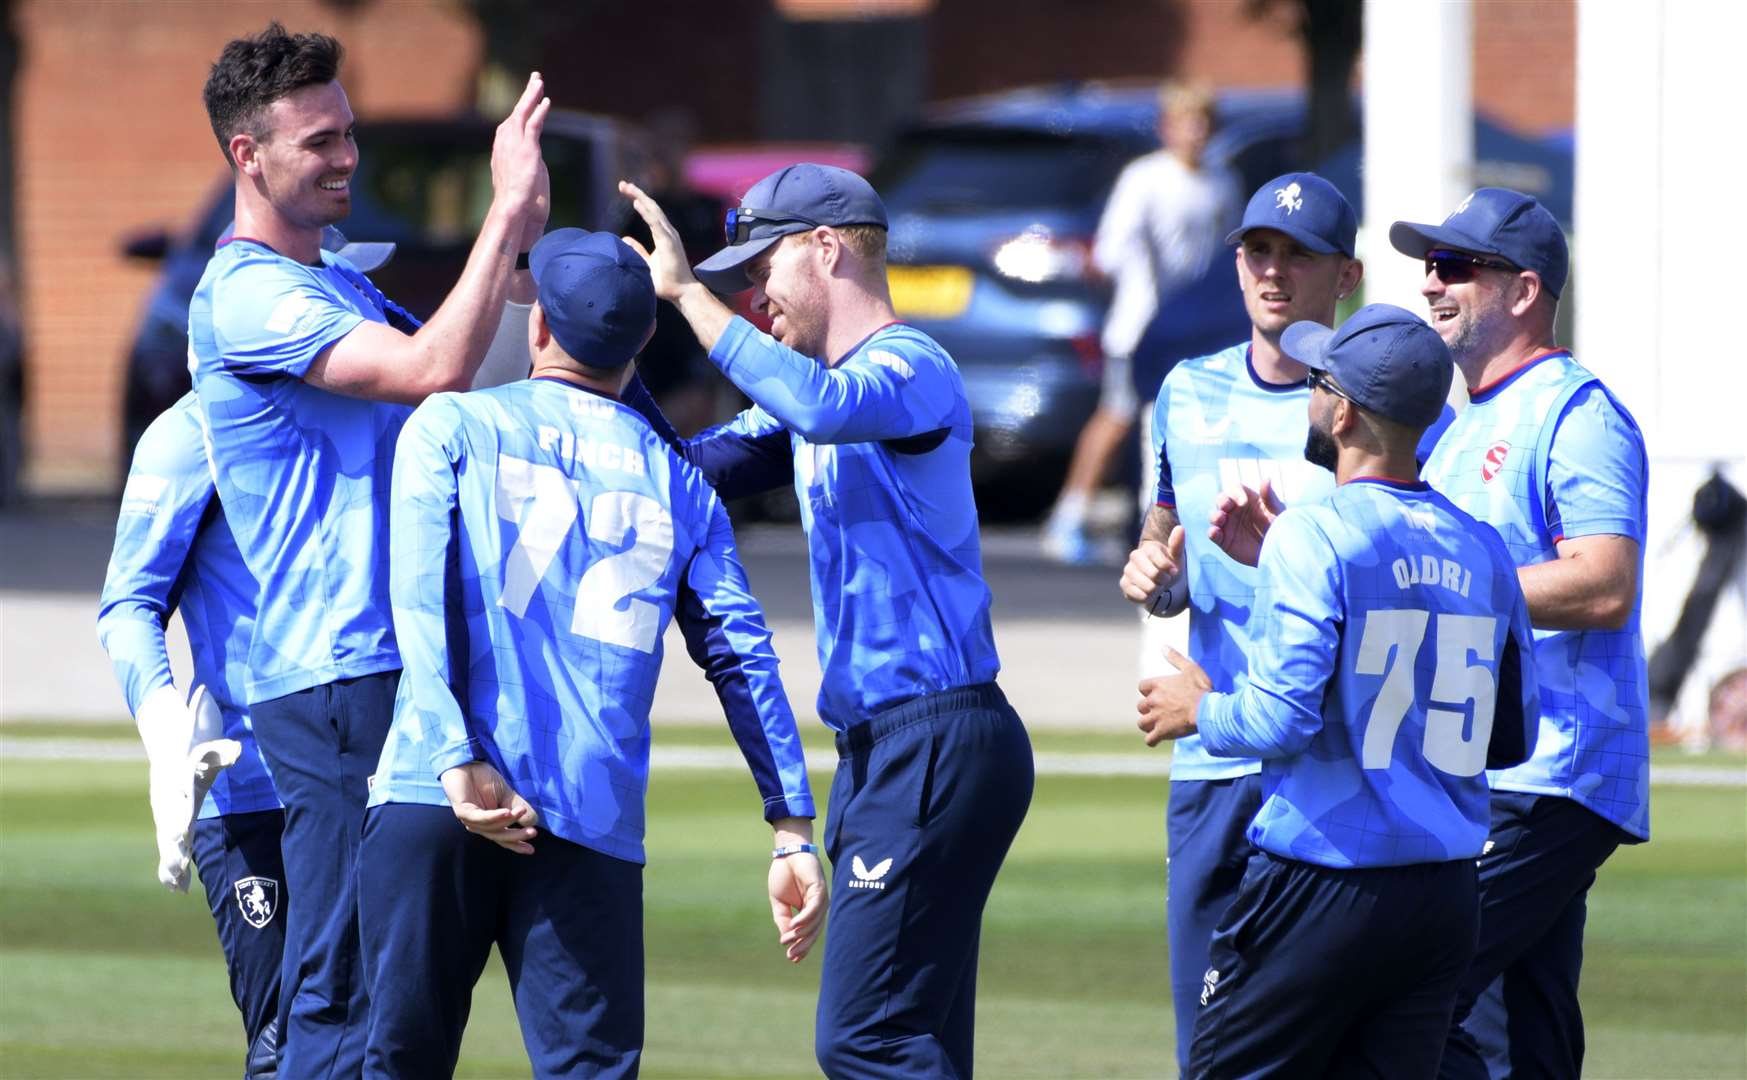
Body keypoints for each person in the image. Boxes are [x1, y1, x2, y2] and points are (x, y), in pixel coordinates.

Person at [356, 228, 819, 1079]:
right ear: (644, 341)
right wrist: (790, 823)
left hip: (437, 793)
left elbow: (415, 602)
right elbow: (742, 656)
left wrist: (456, 755)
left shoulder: (452, 423)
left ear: (538, 329)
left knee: (395, 1065)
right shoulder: (682, 480)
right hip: (587, 821)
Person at [619, 164, 1035, 1079]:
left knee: (863, 1040)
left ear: (826, 248)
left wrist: (688, 294)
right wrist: (606, 345)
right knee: (915, 1041)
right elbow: (687, 468)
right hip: (886, 751)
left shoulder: (907, 369)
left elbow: (821, 408)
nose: (750, 292)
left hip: (936, 739)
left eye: (761, 266)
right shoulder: (814, 397)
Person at [188, 23, 549, 1075]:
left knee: (405, 1003)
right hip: (336, 682)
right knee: (343, 1007)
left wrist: (552, 270)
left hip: (395, 673)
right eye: (317, 141)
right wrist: (505, 212)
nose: (346, 155)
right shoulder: (252, 294)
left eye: (346, 131)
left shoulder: (336, 280)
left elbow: (477, 363)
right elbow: (435, 368)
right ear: (247, 156)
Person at [1135, 302, 1540, 1077]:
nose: (1309, 396)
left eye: (1317, 381)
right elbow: (1508, 732)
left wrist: (1200, 709)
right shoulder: (1481, 546)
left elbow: (1280, 718)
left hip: (1322, 884)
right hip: (1443, 894)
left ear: (1343, 410)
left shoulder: (1314, 530)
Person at [1389, 188, 1651, 1079]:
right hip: (1482, 764)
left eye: (1455, 266)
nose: (1431, 283)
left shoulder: (1575, 412)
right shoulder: (1458, 428)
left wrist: (1445, 585)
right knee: (1517, 1040)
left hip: (1549, 769)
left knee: (1401, 985)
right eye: (1429, 264)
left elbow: (1603, 582)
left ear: (1524, 289)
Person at [1114, 171, 1360, 1070]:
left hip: (1332, 764)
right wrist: (1158, 575)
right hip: (1212, 753)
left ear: (1347, 277)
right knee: (1207, 1048)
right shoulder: (1186, 390)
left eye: (1299, 254)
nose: (1273, 270)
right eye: (1258, 250)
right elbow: (1164, 532)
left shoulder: (1375, 402)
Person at [97, 391, 288, 1079]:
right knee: (285, 1045)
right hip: (248, 785)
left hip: (373, 779)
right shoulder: (188, 433)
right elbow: (129, 604)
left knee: (387, 1039)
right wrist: (165, 731)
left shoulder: (360, 398)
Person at [1043, 81, 1240, 565]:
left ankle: (1165, 524)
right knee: (1117, 417)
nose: (1195, 132)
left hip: (1192, 331)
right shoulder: (1144, 178)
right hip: (1137, 331)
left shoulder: (1222, 182)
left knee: (1178, 426)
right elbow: (1112, 251)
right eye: (1184, 121)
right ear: (1166, 129)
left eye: (1202, 122)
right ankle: (1068, 516)